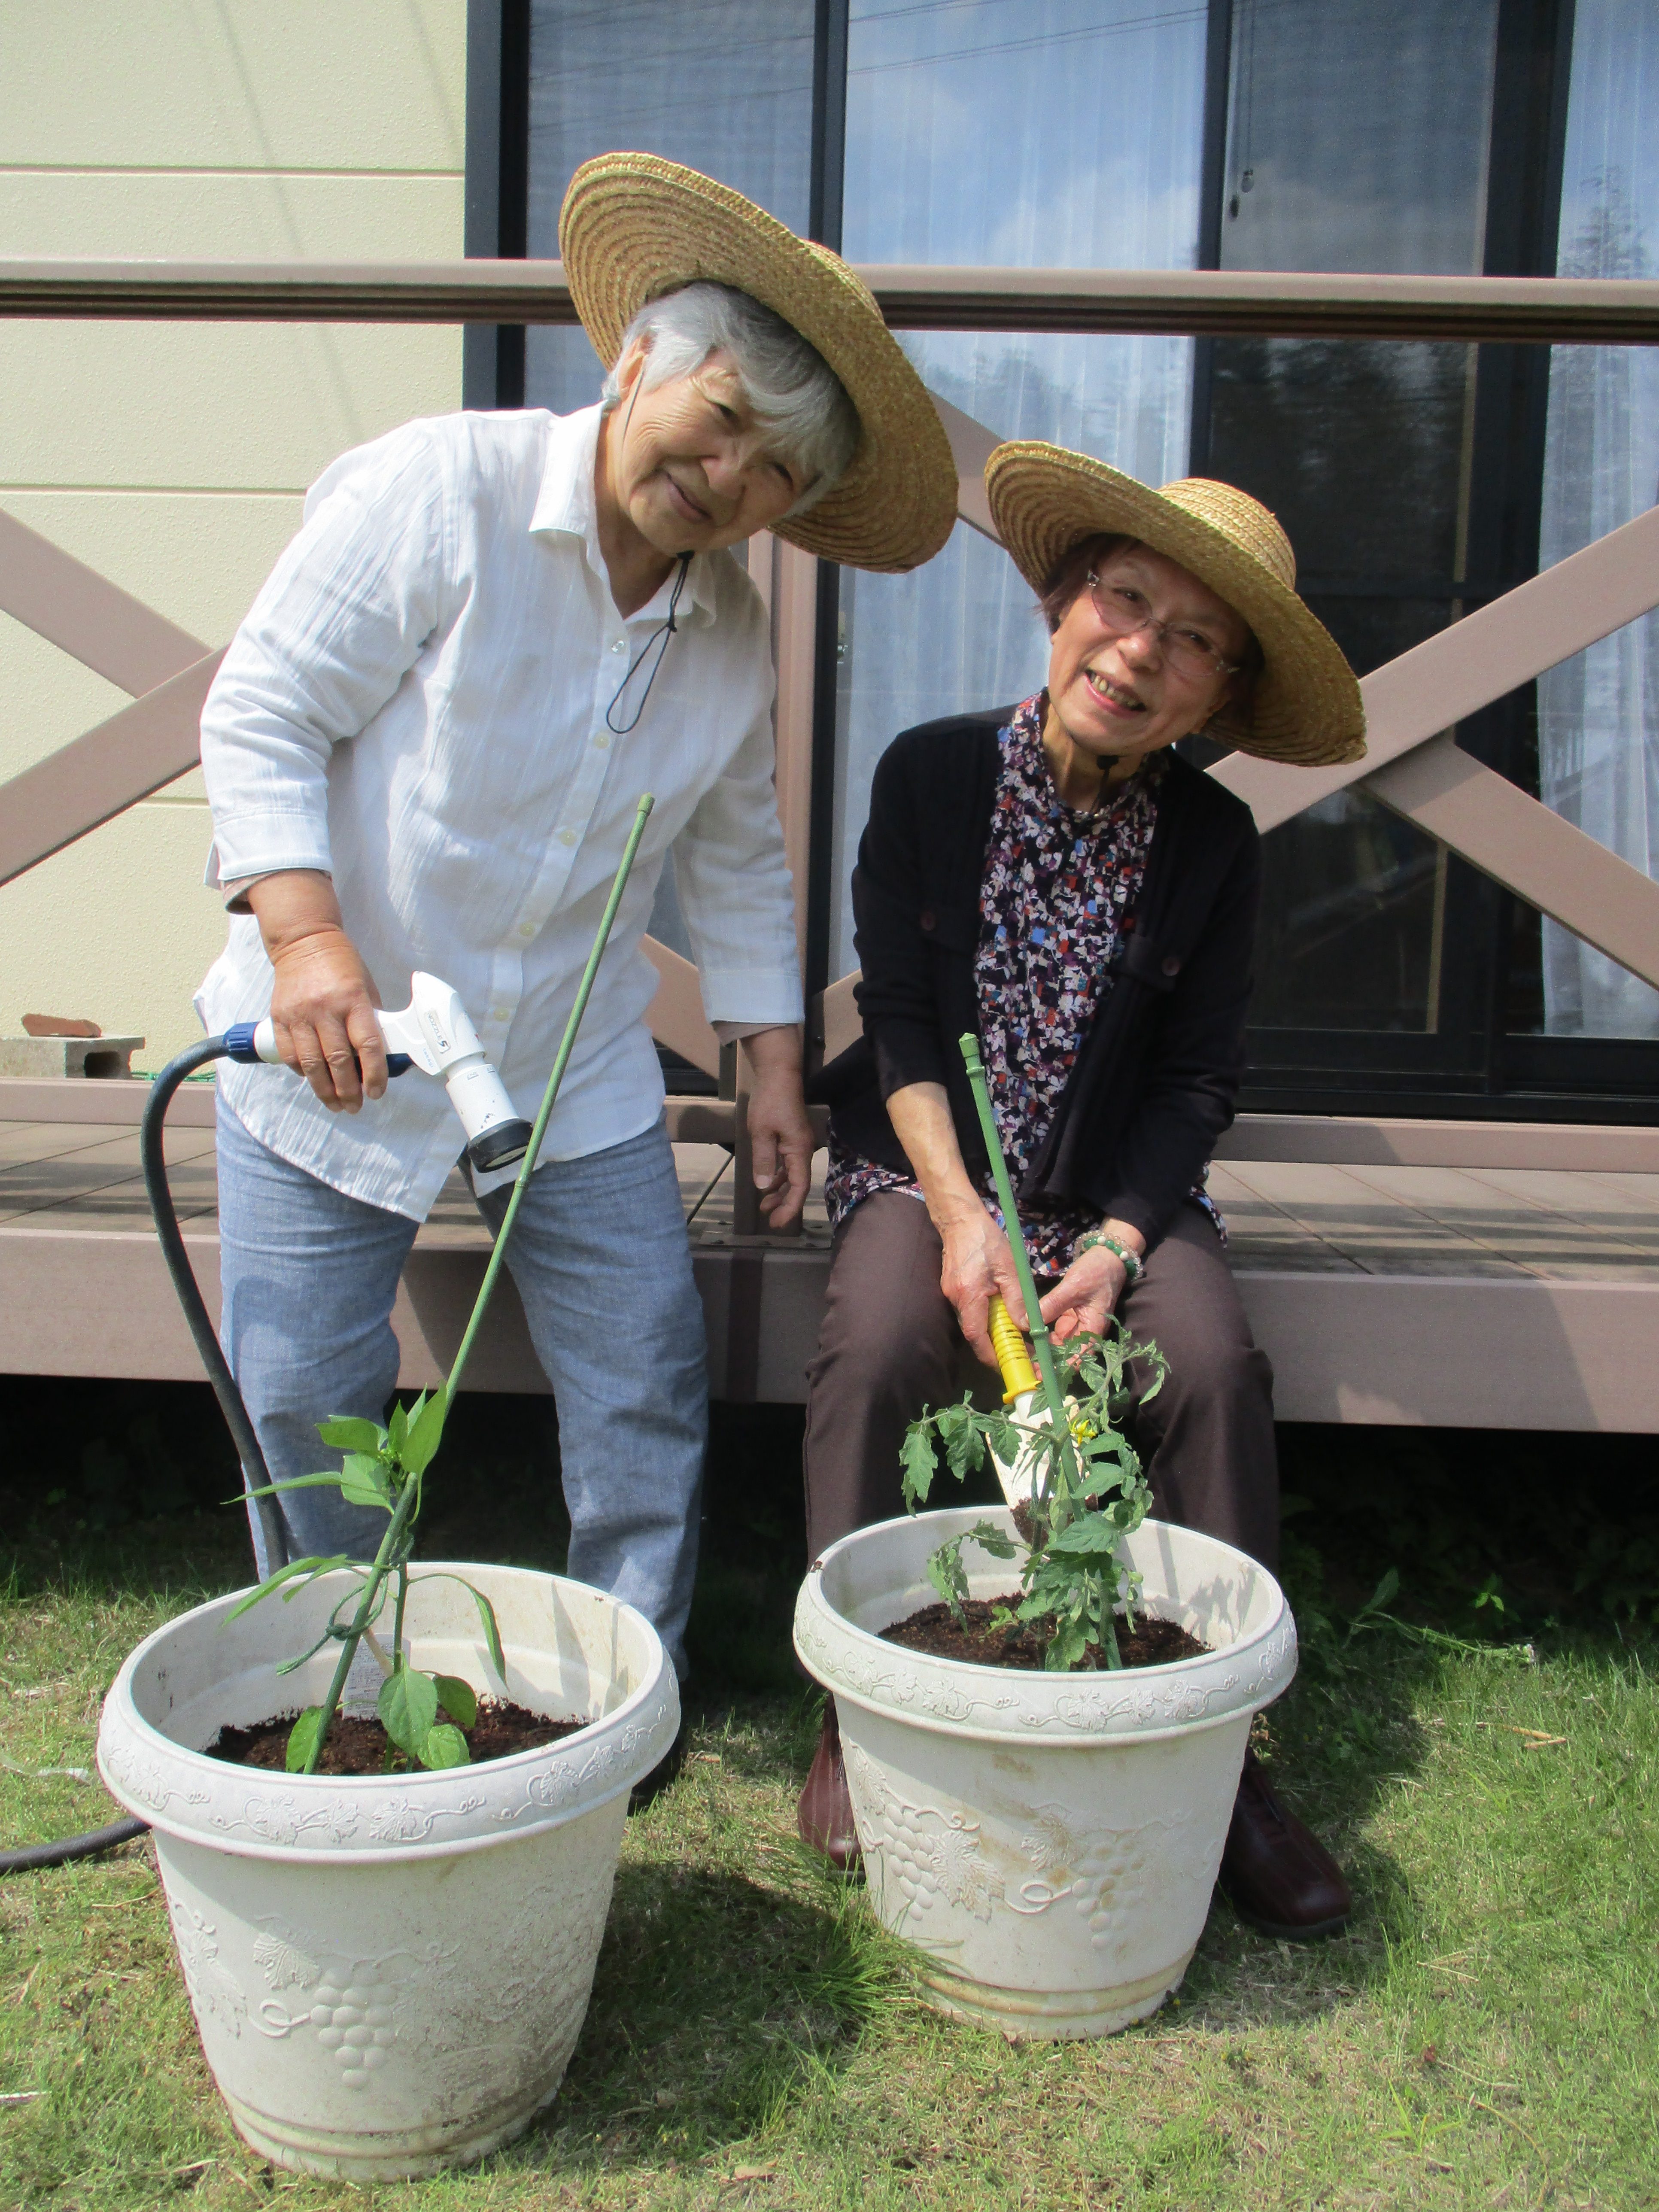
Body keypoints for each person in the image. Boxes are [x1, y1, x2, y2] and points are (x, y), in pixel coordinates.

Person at [195, 154, 958, 1708]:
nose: (727, 478)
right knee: (304, 1383)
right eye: (723, 419)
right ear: (636, 367)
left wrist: (765, 1067)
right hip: (343, 1029)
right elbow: (262, 710)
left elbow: (742, 861)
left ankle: (632, 1681)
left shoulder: (730, 633)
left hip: (568, 1055)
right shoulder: (444, 487)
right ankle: (325, 1683)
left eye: (772, 477)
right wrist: (303, 944)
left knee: (644, 1375)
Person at [797, 441, 1366, 1939]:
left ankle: (1224, 1757)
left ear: (1221, 701)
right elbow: (901, 1025)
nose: (1143, 653)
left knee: (1215, 1369)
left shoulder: (1216, 846)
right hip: (925, 1170)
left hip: (1114, 1202)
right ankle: (856, 1713)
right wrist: (962, 1212)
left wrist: (1116, 1242)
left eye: (1196, 644)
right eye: (1126, 601)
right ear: (1062, 604)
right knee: (880, 1350)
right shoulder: (929, 774)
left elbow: (1196, 1087)